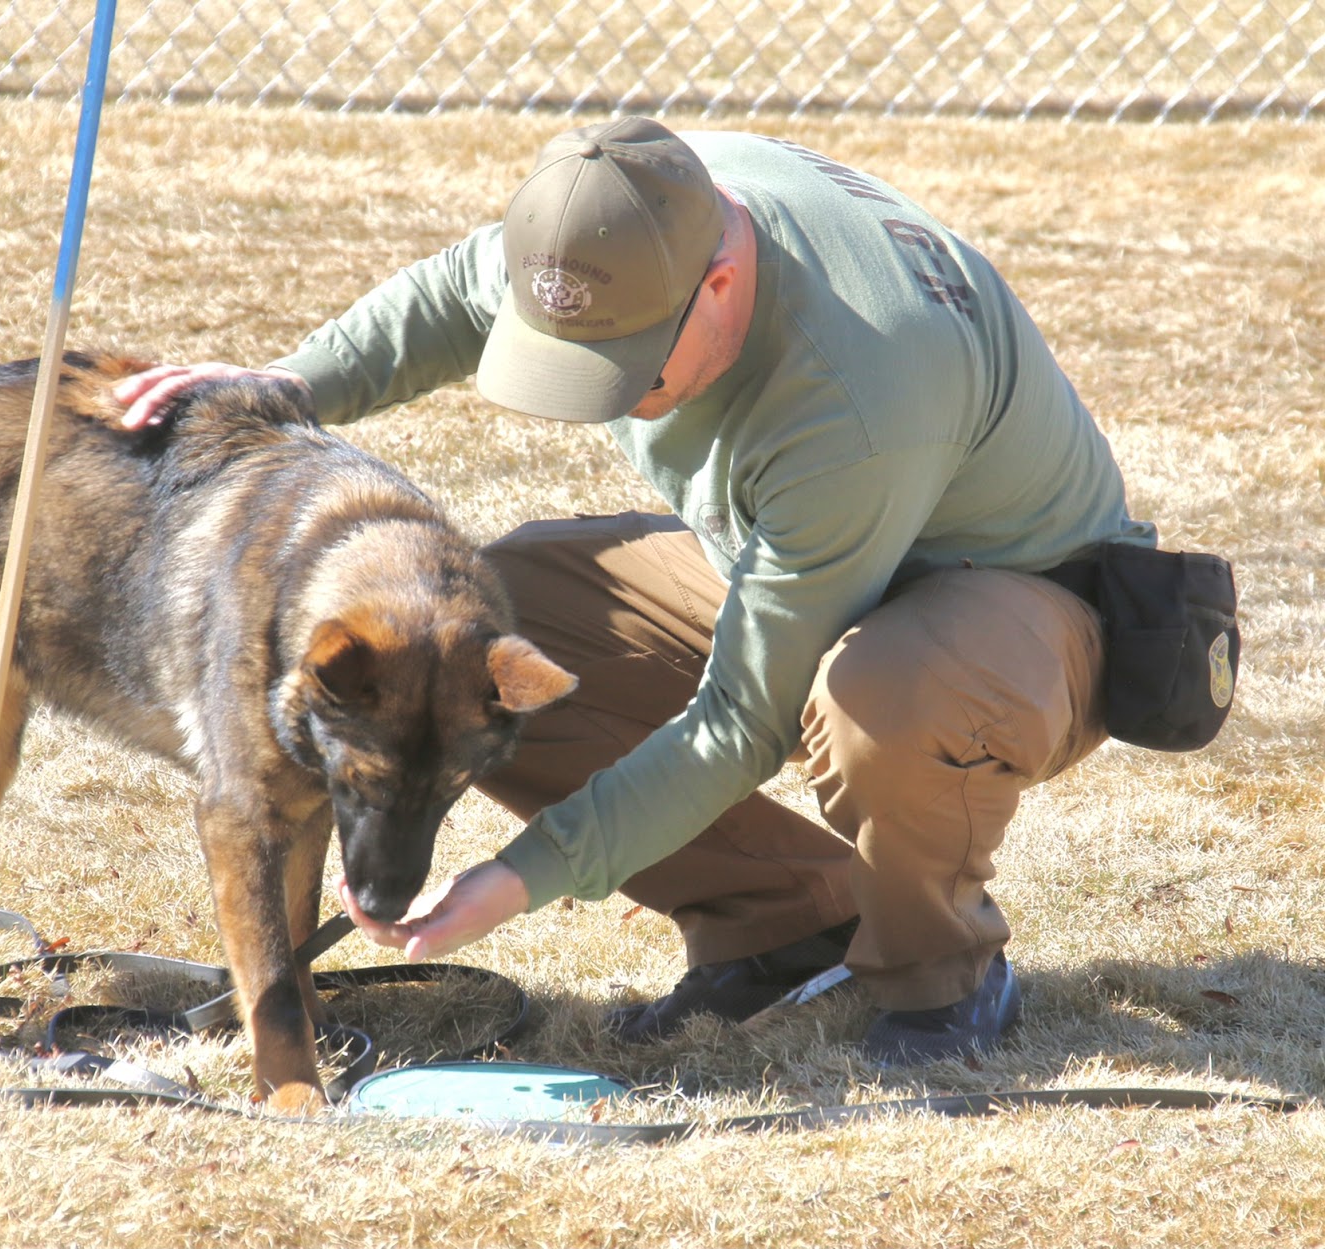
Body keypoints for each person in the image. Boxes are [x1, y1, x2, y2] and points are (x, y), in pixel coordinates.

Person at [115, 116, 1155, 1064]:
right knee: (494, 639)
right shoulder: (622, 216)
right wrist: (280, 389)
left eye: (625, 370)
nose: (602, 397)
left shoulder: (856, 395)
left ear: (717, 288)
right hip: (794, 550)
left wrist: (513, 879)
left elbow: (737, 723)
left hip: (1015, 610)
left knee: (880, 691)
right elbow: (446, 295)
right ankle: (783, 924)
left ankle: (944, 981)